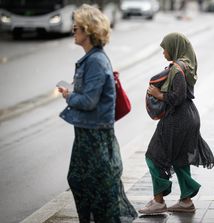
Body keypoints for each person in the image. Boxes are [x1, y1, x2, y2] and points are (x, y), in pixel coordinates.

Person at [58, 4, 137, 223]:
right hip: (88, 132)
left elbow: (89, 101)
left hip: (95, 136)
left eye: (76, 28)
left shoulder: (95, 61)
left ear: (88, 31)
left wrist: (69, 96)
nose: (73, 31)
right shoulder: (92, 59)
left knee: (97, 188)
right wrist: (74, 92)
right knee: (84, 183)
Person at [139, 32, 214, 214]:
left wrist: (159, 95)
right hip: (189, 117)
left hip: (178, 119)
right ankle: (186, 201)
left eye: (165, 48)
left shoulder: (177, 69)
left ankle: (158, 201)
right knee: (180, 159)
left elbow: (178, 97)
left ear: (174, 47)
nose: (164, 52)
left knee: (153, 155)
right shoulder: (187, 65)